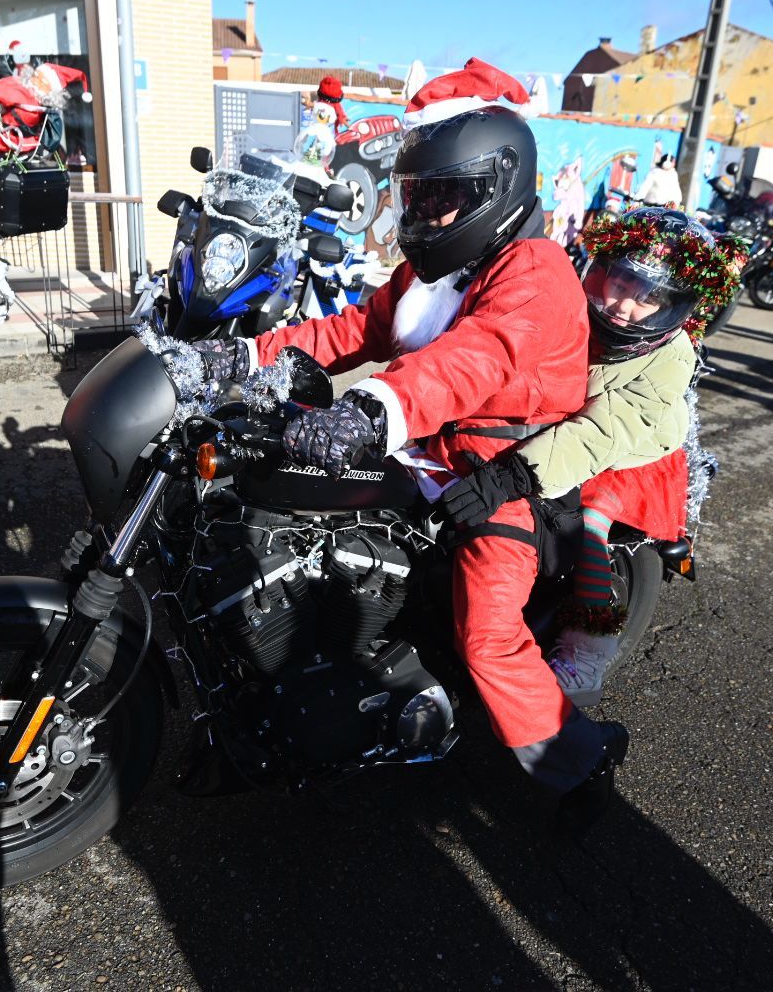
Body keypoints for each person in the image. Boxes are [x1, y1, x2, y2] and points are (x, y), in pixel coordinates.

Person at [191, 59, 627, 834]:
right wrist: (245, 358)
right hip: (425, 446)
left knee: (486, 631)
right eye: (420, 197)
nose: (428, 214)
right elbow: (352, 327)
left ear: (496, 186)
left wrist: (374, 407)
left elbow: (481, 357)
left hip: (509, 471)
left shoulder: (537, 270)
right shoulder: (434, 272)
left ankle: (582, 760)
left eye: (445, 197)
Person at [443, 209, 741, 707]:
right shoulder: (572, 311)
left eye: (650, 299)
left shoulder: (671, 355)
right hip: (562, 430)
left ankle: (588, 656)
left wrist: (514, 474)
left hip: (629, 455)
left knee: (591, 522)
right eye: (620, 283)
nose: (625, 306)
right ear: (598, 271)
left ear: (678, 309)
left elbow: (604, 432)